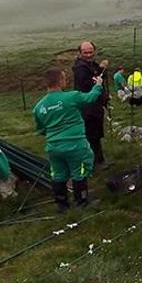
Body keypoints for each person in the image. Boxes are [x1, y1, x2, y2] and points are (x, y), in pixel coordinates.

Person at [33, 67, 104, 211]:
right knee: (79, 171)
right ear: (61, 81)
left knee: (58, 174)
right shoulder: (72, 97)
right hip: (75, 144)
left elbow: (41, 129)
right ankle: (81, 202)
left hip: (53, 147)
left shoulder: (38, 107)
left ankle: (62, 204)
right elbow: (90, 98)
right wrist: (98, 85)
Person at [72, 41, 110, 169]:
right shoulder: (80, 68)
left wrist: (101, 69)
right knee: (91, 135)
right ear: (80, 53)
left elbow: (98, 76)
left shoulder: (90, 64)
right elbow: (89, 84)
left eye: (91, 52)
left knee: (96, 134)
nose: (89, 55)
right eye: (85, 52)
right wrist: (100, 73)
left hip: (94, 105)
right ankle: (93, 163)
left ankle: (99, 160)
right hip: (88, 106)